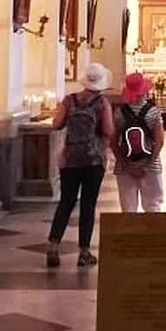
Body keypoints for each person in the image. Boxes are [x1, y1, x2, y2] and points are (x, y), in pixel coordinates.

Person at [45, 63, 113, 268]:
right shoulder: (102, 103)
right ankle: (84, 252)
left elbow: (56, 124)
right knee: (88, 205)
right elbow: (109, 130)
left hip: (70, 159)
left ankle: (53, 247)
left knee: (65, 202)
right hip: (93, 160)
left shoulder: (69, 100)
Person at [112, 72, 165, 213]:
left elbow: (113, 142)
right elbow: (160, 141)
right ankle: (153, 233)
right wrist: (147, 164)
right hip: (151, 166)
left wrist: (126, 165)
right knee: (153, 205)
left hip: (125, 166)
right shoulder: (153, 112)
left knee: (128, 208)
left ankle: (130, 235)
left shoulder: (119, 113)